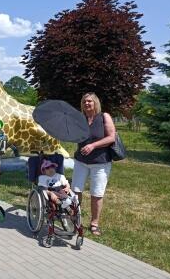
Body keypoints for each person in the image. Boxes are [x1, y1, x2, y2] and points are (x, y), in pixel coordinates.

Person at [72, 92, 115, 236]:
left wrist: (93, 145)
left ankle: (94, 223)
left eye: (89, 101)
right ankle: (75, 218)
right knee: (76, 190)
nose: (87, 104)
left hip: (100, 162)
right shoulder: (80, 119)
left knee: (96, 194)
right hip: (81, 161)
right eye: (84, 101)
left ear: (95, 102)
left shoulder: (104, 117)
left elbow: (111, 137)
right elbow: (75, 136)